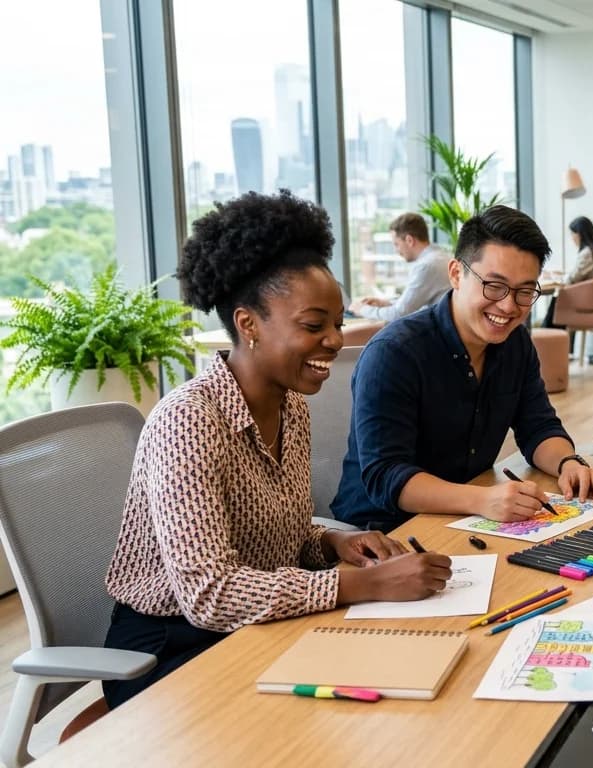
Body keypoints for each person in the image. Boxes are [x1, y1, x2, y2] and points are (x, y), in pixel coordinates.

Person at [103, 191, 453, 708]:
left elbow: (273, 538)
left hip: (260, 624)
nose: (334, 340)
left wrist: (332, 546)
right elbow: (210, 594)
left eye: (336, 324)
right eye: (314, 326)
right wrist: (360, 585)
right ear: (248, 325)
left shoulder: (292, 407)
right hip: (169, 650)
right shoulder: (188, 420)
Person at [331, 205, 593, 531]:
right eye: (494, 286)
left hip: (467, 519)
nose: (508, 306)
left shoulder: (515, 343)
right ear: (455, 274)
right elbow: (386, 476)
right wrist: (481, 500)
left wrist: (567, 463)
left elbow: (539, 428)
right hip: (381, 532)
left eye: (524, 291)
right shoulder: (396, 354)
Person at [349, 212, 451, 322]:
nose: (396, 250)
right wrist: (386, 303)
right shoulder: (441, 256)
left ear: (409, 240)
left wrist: (362, 309)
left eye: (396, 244)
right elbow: (413, 302)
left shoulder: (426, 266)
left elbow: (399, 314)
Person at [543, 215, 593, 328]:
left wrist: (554, 277)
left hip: (589, 305)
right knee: (560, 298)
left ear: (579, 234)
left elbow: (572, 279)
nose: (572, 238)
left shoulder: (588, 253)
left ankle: (549, 336)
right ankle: (554, 337)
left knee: (559, 297)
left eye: (572, 234)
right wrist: (562, 274)